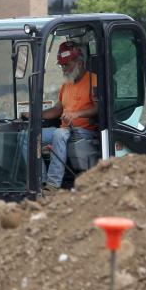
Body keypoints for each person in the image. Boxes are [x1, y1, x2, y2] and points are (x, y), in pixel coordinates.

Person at [40, 41, 98, 190]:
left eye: (67, 64)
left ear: (79, 62)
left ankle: (52, 185)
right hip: (66, 129)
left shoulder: (93, 80)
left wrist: (76, 114)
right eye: (62, 65)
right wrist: (35, 114)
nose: (63, 69)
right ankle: (39, 180)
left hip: (85, 130)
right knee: (30, 136)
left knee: (59, 133)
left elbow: (98, 108)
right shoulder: (67, 84)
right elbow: (57, 110)